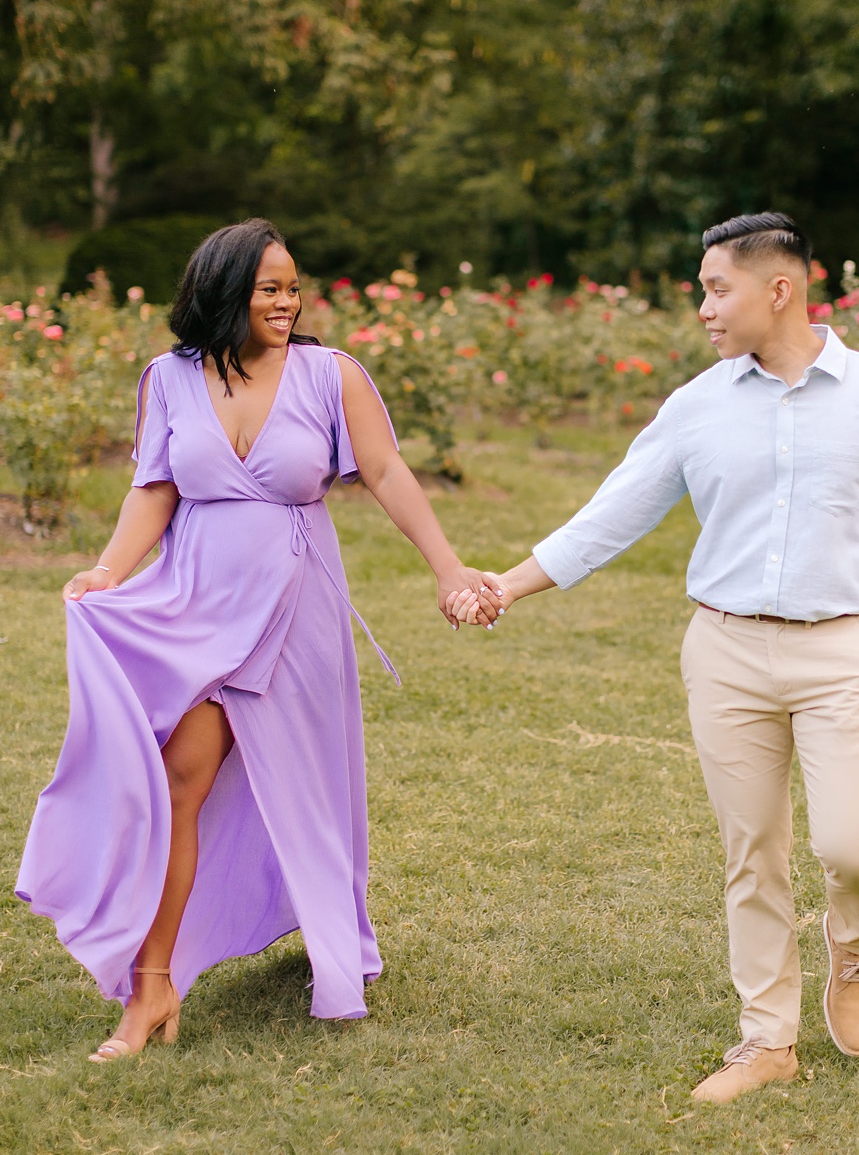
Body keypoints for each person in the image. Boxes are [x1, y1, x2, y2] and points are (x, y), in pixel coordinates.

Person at [461, 211, 859, 1104]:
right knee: (752, 851)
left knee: (852, 846)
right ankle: (767, 1041)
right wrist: (507, 585)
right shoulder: (696, 405)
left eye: (718, 290)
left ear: (780, 290)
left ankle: (858, 948)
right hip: (723, 650)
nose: (705, 310)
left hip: (844, 651)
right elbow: (612, 514)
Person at [17, 219, 500, 1061]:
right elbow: (153, 488)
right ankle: (152, 985)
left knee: (291, 785)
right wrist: (107, 570)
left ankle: (315, 934)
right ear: (223, 289)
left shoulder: (329, 374)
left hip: (293, 608)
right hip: (195, 600)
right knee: (177, 779)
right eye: (268, 287)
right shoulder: (168, 379)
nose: (286, 301)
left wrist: (448, 568)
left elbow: (385, 471)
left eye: (292, 287)